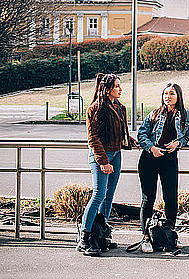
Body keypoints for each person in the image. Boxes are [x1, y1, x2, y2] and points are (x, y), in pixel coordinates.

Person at [77, 73, 136, 255]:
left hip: (116, 154)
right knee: (98, 195)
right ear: (107, 88)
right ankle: (85, 238)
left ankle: (101, 235)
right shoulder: (95, 108)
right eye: (117, 86)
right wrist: (103, 162)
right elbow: (93, 138)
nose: (120, 89)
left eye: (119, 86)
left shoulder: (120, 107)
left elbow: (118, 132)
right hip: (100, 156)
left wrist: (128, 141)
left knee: (109, 196)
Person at [136, 83, 189, 253]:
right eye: (165, 93)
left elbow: (187, 134)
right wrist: (151, 148)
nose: (168, 96)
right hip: (149, 159)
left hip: (169, 160)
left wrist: (179, 143)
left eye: (172, 94)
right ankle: (146, 237)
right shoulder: (154, 114)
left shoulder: (186, 115)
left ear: (179, 96)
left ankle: (170, 236)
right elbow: (141, 134)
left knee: (171, 198)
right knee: (148, 198)